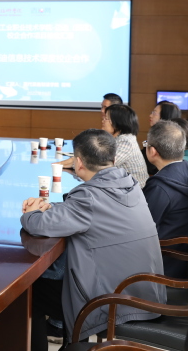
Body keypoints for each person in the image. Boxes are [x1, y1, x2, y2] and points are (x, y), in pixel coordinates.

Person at [21, 129, 166, 349]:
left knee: (30, 293)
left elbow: (38, 225)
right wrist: (51, 207)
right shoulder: (129, 184)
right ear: (113, 160)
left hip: (114, 303)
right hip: (146, 294)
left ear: (78, 163)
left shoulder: (88, 197)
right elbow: (83, 211)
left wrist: (31, 212)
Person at [143, 120, 188, 278]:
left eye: (146, 144)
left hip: (159, 265)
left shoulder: (160, 188)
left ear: (152, 151)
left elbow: (140, 230)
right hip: (179, 259)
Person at [54, 104, 148, 187]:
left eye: (106, 118)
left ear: (117, 123)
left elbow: (100, 163)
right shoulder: (119, 139)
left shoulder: (126, 141)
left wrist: (64, 164)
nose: (103, 121)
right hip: (123, 187)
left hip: (134, 191)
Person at [144, 100, 182, 175]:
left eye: (154, 113)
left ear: (164, 116)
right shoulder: (156, 135)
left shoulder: (167, 140)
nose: (150, 115)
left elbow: (150, 167)